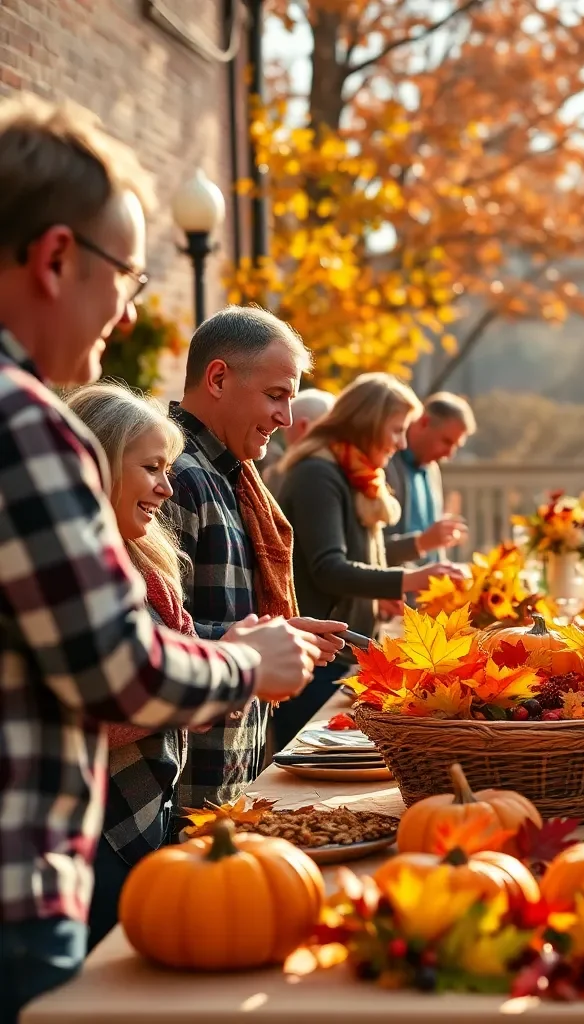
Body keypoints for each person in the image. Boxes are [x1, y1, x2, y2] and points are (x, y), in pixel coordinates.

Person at [0, 96, 321, 1023]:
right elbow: (120, 673)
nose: (126, 310)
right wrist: (248, 661)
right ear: (57, 257)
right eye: (128, 277)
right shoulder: (27, 426)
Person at [67, 383, 279, 949]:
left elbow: (175, 665)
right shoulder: (78, 576)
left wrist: (229, 650)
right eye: (152, 468)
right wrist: (229, 671)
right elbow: (100, 707)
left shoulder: (147, 563)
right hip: (96, 826)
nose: (167, 486)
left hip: (149, 813)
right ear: (100, 465)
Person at [165, 306, 347, 812]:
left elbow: (220, 616)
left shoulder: (231, 474)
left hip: (230, 771)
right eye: (275, 395)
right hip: (187, 788)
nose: (286, 418)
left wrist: (285, 635)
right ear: (218, 378)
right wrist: (253, 649)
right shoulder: (177, 477)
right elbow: (152, 638)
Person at [275, 373, 468, 745]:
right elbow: (328, 567)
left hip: (346, 654)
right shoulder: (318, 473)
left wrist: (383, 589)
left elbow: (366, 555)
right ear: (368, 422)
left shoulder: (357, 475)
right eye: (396, 430)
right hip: (317, 661)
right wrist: (406, 580)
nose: (400, 442)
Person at [384, 390, 473, 565]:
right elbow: (369, 551)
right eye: (447, 441)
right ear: (424, 422)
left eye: (456, 446)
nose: (449, 454)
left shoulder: (432, 470)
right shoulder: (386, 465)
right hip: (395, 588)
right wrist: (422, 542)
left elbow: (433, 548)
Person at [262, 387, 334, 496]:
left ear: (304, 426)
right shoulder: (352, 469)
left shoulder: (309, 473)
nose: (282, 426)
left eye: (289, 424)